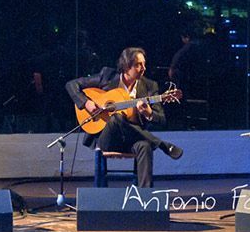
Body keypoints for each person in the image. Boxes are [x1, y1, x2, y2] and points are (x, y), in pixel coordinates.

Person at [66, 47, 183, 188]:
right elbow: (71, 85)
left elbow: (162, 119)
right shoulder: (107, 76)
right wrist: (86, 103)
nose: (143, 68)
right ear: (127, 66)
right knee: (117, 117)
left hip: (133, 139)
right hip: (108, 138)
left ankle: (146, 199)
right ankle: (161, 144)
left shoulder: (150, 86)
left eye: (144, 64)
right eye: (138, 65)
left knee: (145, 147)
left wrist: (148, 113)